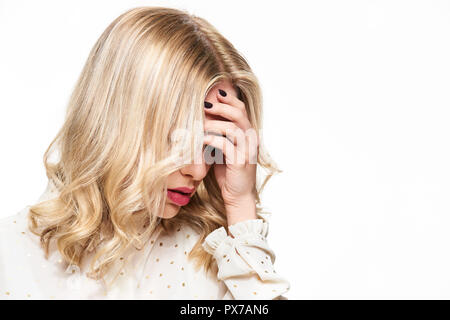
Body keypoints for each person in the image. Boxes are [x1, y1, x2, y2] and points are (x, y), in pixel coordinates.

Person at [0, 6, 290, 300]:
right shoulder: (9, 257)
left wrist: (241, 206)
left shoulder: (214, 255)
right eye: (178, 141)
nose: (199, 170)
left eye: (210, 148)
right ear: (117, 120)